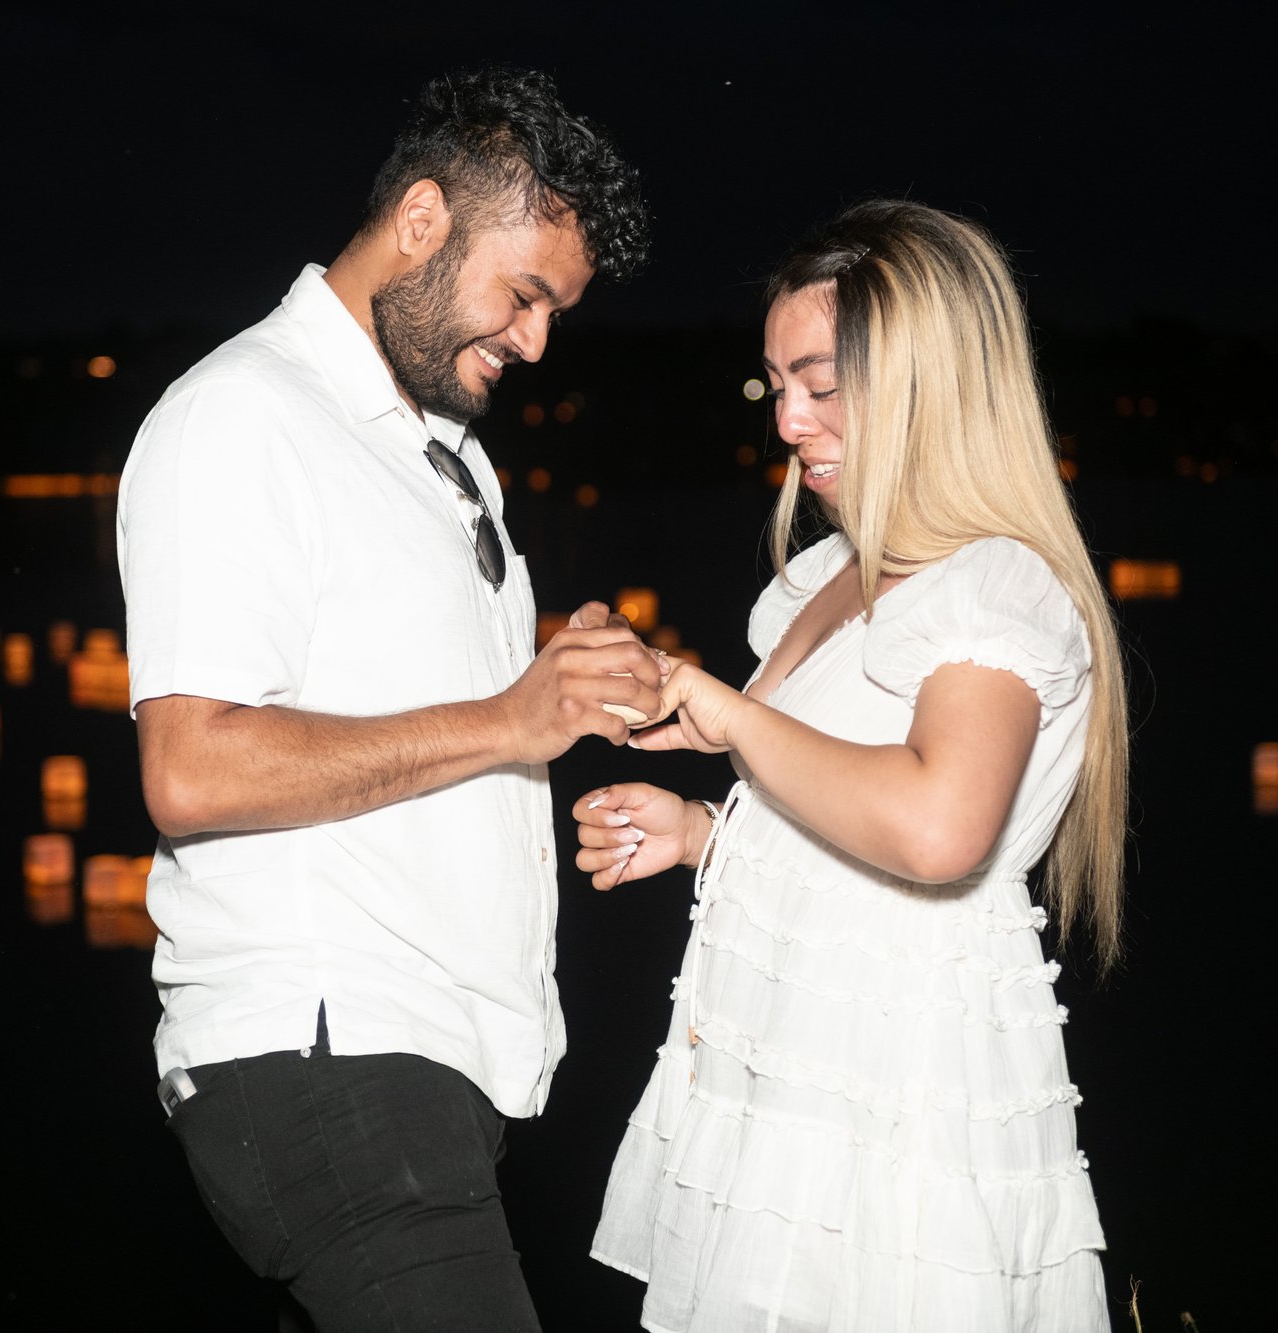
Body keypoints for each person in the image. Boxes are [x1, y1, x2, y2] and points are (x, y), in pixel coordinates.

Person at [116, 67, 655, 1332]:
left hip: (428, 1072)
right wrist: (511, 720)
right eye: (524, 295)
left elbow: (433, 711)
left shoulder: (442, 454)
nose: (534, 340)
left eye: (554, 315)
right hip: (325, 1052)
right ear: (422, 220)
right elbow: (191, 769)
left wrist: (561, 680)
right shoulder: (240, 416)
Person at [575, 201, 1128, 1332]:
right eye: (776, 384)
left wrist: (729, 718)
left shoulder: (992, 584)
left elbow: (935, 830)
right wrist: (701, 834)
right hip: (789, 1077)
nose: (786, 417)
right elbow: (836, 810)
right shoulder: (828, 575)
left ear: (927, 380)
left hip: (895, 1099)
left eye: (819, 385)